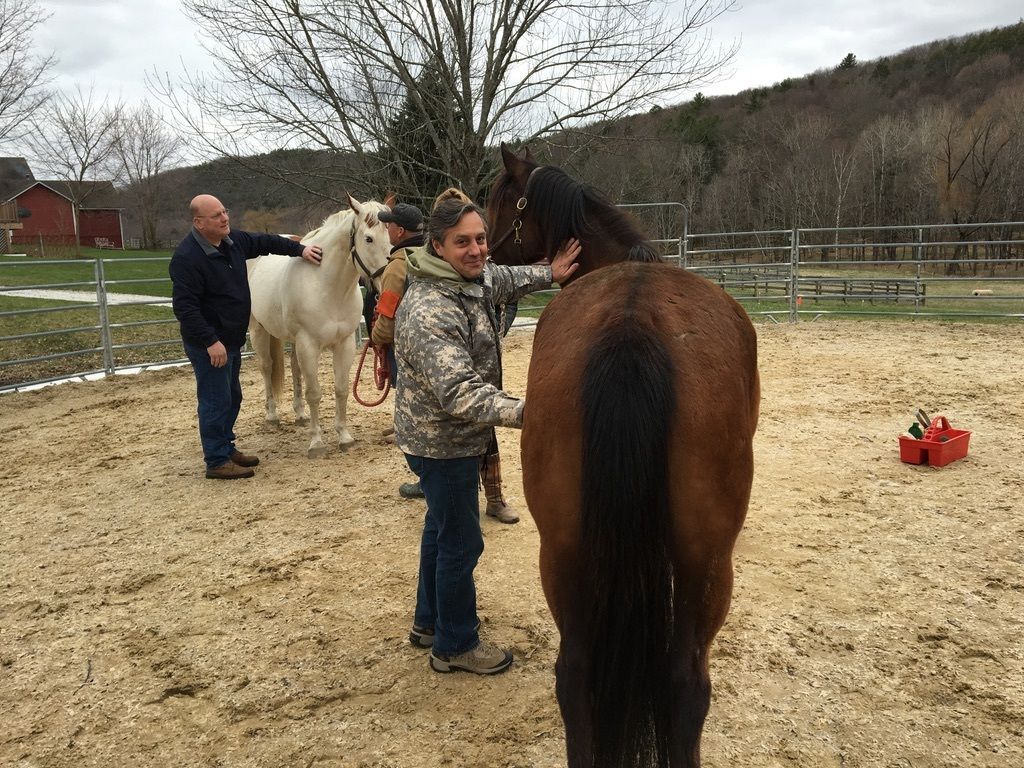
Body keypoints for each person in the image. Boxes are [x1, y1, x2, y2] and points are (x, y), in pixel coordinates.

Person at [394, 198, 580, 674]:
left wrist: (550, 273)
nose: (477, 250)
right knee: (462, 542)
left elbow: (502, 278)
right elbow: (459, 392)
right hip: (444, 442)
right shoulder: (431, 309)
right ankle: (455, 646)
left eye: (480, 238)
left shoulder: (465, 278)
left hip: (448, 438)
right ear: (437, 245)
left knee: (440, 530)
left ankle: (429, 622)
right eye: (463, 242)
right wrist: (530, 413)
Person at [169, 194, 324, 479]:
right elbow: (185, 307)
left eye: (224, 211)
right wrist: (210, 341)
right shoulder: (187, 258)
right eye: (216, 215)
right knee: (215, 400)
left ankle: (226, 448)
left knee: (231, 397)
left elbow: (267, 242)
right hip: (210, 344)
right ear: (199, 222)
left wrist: (300, 250)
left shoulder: (232, 242)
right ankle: (216, 460)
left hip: (229, 339)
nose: (225, 218)